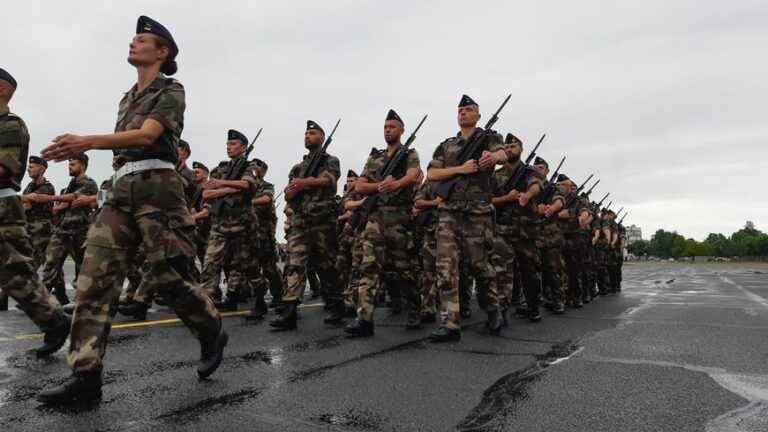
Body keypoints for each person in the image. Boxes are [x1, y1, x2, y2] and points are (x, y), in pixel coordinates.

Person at [37, 16, 226, 404]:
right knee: (94, 277)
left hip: (159, 189)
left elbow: (147, 136)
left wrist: (86, 141)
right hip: (121, 188)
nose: (134, 43)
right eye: (133, 38)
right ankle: (86, 376)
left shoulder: (171, 90)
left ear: (163, 52)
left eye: (143, 39)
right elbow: (125, 147)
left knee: (167, 276)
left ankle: (210, 328)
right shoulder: (127, 97)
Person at [0, 66, 71, 355]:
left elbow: (4, 168)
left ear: (3, 89)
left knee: (17, 275)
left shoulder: (9, 124)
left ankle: (54, 321)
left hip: (3, 206)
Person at [426, 95, 508, 342]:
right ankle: (449, 323)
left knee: (480, 267)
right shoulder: (447, 145)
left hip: (477, 214)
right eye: (460, 109)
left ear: (478, 116)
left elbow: (502, 154)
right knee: (445, 268)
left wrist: (492, 158)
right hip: (449, 213)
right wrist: (460, 169)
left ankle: (493, 309)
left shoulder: (490, 138)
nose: (463, 112)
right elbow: (432, 173)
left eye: (469, 109)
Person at [345, 109, 422, 337]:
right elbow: (359, 186)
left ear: (402, 130)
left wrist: (395, 184)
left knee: (404, 269)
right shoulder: (375, 157)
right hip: (375, 218)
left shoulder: (409, 153)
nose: (388, 130)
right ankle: (364, 320)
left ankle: (415, 309)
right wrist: (379, 187)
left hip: (399, 218)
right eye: (386, 127)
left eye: (392, 127)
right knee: (368, 268)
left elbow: (412, 175)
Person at [270, 120, 342, 330]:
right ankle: (290, 310)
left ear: (322, 137)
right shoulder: (298, 167)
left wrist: (305, 183)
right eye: (306, 133)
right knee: (295, 264)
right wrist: (295, 188)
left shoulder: (331, 160)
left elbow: (329, 180)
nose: (307, 136)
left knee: (326, 265)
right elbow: (290, 193)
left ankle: (336, 304)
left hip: (322, 221)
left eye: (312, 133)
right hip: (300, 220)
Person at [200, 129, 259, 311]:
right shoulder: (220, 169)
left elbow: (247, 185)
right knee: (210, 263)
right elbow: (207, 192)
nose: (229, 147)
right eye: (227, 144)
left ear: (243, 147)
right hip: (220, 225)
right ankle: (205, 304)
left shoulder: (251, 166)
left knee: (247, 266)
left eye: (233, 144)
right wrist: (227, 188)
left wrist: (222, 184)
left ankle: (258, 301)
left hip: (243, 225)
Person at [491, 134, 544, 323]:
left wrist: (526, 196)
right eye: (506, 146)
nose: (509, 149)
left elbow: (536, 186)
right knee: (501, 271)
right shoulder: (496, 175)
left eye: (513, 146)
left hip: (526, 230)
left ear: (521, 150)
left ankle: (533, 306)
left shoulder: (530, 171)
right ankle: (500, 311)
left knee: (529, 270)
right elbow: (488, 199)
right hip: (502, 229)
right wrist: (507, 198)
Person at [36, 154, 98, 305]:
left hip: (80, 232)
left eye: (72, 164)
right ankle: (42, 302)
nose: (69, 167)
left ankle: (84, 302)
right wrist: (63, 204)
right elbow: (61, 207)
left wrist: (51, 199)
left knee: (83, 268)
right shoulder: (69, 185)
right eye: (69, 165)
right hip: (62, 231)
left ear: (82, 165)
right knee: (51, 264)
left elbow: (73, 197)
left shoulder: (89, 184)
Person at [244, 158, 283, 320]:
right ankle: (259, 302)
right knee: (252, 268)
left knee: (269, 269)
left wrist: (246, 202)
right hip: (248, 235)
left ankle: (279, 296)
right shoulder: (246, 186)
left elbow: (266, 199)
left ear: (263, 170)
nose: (252, 169)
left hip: (264, 235)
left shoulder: (266, 186)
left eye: (256, 167)